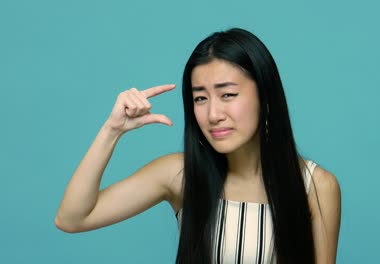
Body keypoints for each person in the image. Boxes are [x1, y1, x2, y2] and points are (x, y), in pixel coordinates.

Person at [55, 28, 341, 263]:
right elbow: (72, 218)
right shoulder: (181, 174)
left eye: (228, 94)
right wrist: (111, 130)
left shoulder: (316, 186)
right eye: (200, 98)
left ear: (265, 98)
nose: (213, 114)